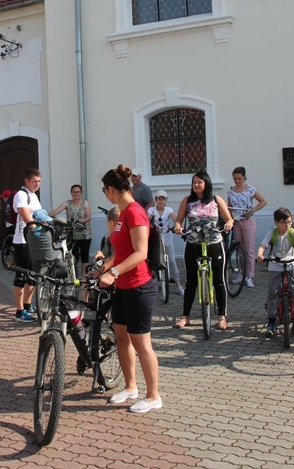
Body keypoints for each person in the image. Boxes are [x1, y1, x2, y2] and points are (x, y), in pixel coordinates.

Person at [94, 165, 161, 413]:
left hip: (140, 286)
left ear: (112, 189)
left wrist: (114, 272)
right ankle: (131, 387)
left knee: (142, 343)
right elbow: (120, 252)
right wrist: (104, 268)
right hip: (123, 286)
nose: (105, 194)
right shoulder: (121, 214)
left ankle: (153, 395)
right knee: (121, 337)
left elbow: (140, 253)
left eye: (104, 190)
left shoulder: (135, 213)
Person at [173, 171, 234, 330]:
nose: (196, 185)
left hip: (214, 242)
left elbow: (229, 218)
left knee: (218, 281)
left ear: (206, 183)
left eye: (199, 182)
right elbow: (179, 219)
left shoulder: (216, 200)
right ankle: (185, 316)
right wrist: (178, 226)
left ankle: (222, 316)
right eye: (194, 182)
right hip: (193, 243)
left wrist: (228, 224)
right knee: (191, 280)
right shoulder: (187, 201)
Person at [256, 207, 294, 338]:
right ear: (276, 222)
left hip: (291, 264)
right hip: (275, 264)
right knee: (273, 291)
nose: (287, 225)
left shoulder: (293, 233)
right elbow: (262, 245)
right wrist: (260, 254)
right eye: (283, 222)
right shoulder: (272, 233)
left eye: (289, 222)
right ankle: (271, 321)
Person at [227, 167, 268, 288]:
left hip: (248, 220)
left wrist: (252, 211)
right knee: (239, 248)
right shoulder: (230, 191)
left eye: (239, 178)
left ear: (244, 177)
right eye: (235, 178)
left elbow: (263, 201)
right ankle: (241, 273)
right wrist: (231, 219)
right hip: (237, 221)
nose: (237, 181)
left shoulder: (250, 189)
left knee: (249, 249)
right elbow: (229, 206)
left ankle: (250, 276)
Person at [12, 168, 42, 322]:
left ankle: (28, 305)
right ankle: (19, 311)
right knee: (22, 275)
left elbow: (40, 215)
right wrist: (36, 227)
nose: (37, 184)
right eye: (34, 181)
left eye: (39, 182)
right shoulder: (21, 195)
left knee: (33, 275)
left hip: (34, 242)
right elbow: (27, 218)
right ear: (27, 181)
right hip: (23, 241)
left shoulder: (34, 196)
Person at [48, 184, 92, 275]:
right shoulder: (67, 203)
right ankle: (75, 277)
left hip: (85, 234)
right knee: (74, 257)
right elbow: (57, 210)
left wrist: (80, 221)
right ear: (71, 193)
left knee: (85, 258)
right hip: (73, 235)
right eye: (74, 192)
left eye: (78, 192)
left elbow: (88, 217)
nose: (76, 194)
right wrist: (46, 216)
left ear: (81, 193)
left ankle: (84, 278)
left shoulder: (85, 203)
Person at [147, 190, 184, 296]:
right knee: (152, 259)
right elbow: (146, 218)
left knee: (171, 260)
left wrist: (177, 226)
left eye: (163, 199)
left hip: (167, 237)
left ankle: (178, 285)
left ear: (165, 200)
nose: (160, 201)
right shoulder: (151, 210)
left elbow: (175, 219)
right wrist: (150, 225)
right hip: (155, 238)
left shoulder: (169, 210)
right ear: (156, 200)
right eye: (159, 199)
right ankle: (150, 283)